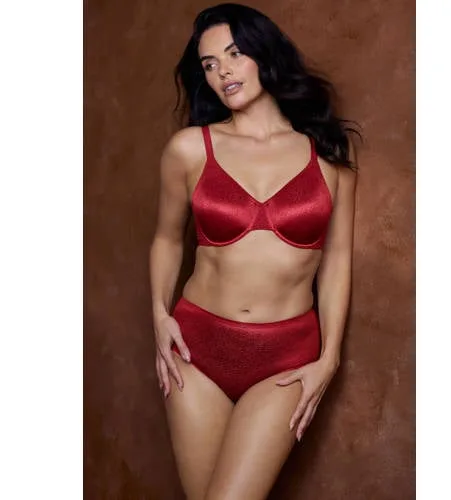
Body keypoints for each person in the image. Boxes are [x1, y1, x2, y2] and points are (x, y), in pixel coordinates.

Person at [149, 3, 359, 499]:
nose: (222, 71)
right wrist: (159, 316)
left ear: (264, 54)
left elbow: (336, 262)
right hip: (195, 350)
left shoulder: (328, 156)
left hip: (286, 359)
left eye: (234, 53)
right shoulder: (189, 149)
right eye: (209, 64)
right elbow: (166, 239)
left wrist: (329, 357)